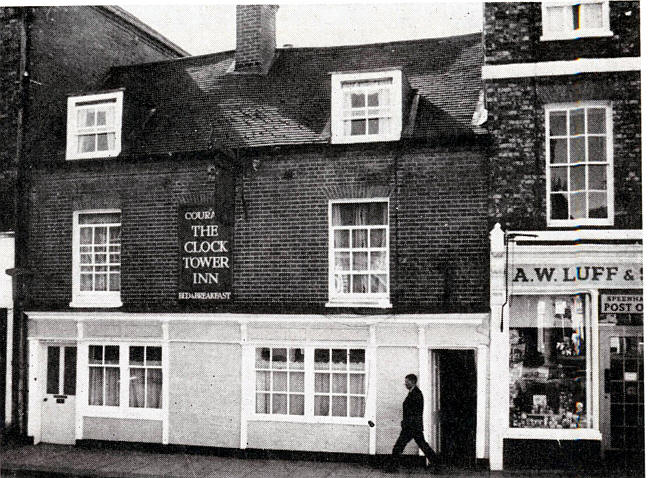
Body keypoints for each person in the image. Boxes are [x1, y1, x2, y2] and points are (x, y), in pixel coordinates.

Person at [385, 374, 439, 473]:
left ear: (413, 382)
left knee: (399, 446)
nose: (405, 383)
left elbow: (414, 412)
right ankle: (437, 464)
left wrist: (405, 423)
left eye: (407, 382)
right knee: (421, 445)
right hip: (413, 426)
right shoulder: (413, 392)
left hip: (411, 426)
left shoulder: (416, 394)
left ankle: (392, 467)